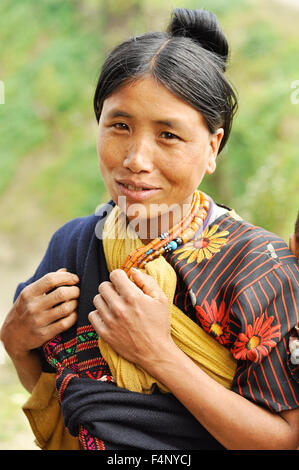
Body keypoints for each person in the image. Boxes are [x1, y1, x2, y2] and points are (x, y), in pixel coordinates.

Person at [1, 8, 298, 451]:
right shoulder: (74, 246)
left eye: (168, 135)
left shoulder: (262, 269)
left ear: (213, 147)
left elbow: (286, 442)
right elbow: (67, 401)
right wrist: (16, 342)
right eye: (119, 125)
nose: (136, 159)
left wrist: (157, 354)